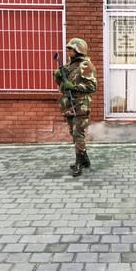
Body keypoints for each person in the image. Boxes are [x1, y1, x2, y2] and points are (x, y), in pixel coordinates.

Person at [54, 38, 97, 177]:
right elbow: (62, 86)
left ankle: (79, 162)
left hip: (80, 105)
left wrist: (75, 87)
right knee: (74, 133)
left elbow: (92, 87)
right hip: (69, 105)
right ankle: (85, 159)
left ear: (79, 50)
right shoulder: (68, 66)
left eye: (71, 49)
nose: (68, 51)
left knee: (78, 134)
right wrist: (58, 77)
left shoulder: (86, 65)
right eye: (68, 49)